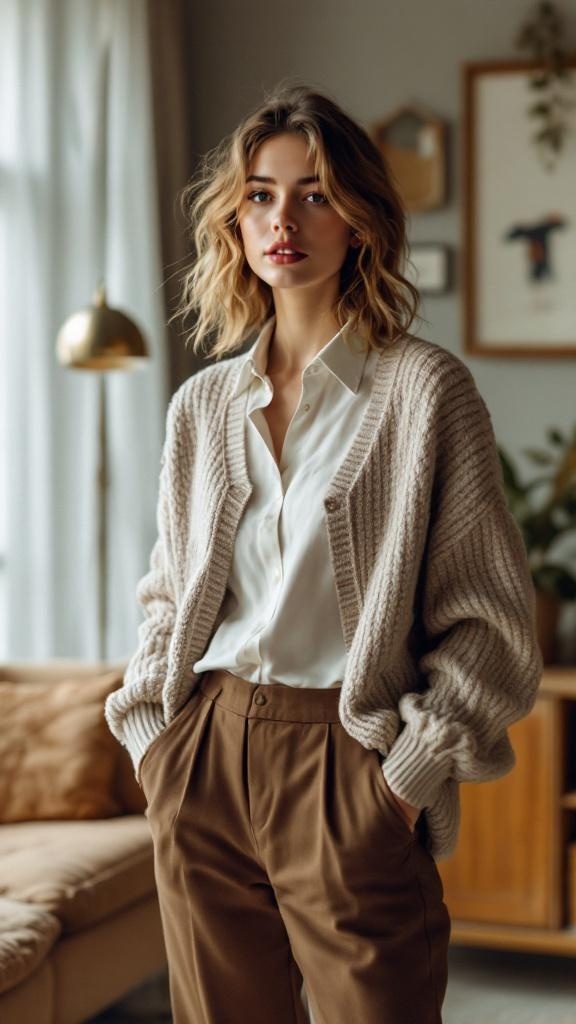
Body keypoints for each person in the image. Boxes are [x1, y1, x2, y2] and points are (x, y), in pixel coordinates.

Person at [105, 84, 543, 1024]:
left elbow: (493, 628)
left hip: (348, 761)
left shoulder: (427, 393)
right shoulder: (204, 406)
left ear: (362, 221)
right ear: (237, 218)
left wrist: (401, 782)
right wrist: (156, 746)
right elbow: (169, 595)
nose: (283, 220)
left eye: (314, 193)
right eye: (261, 195)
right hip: (204, 755)